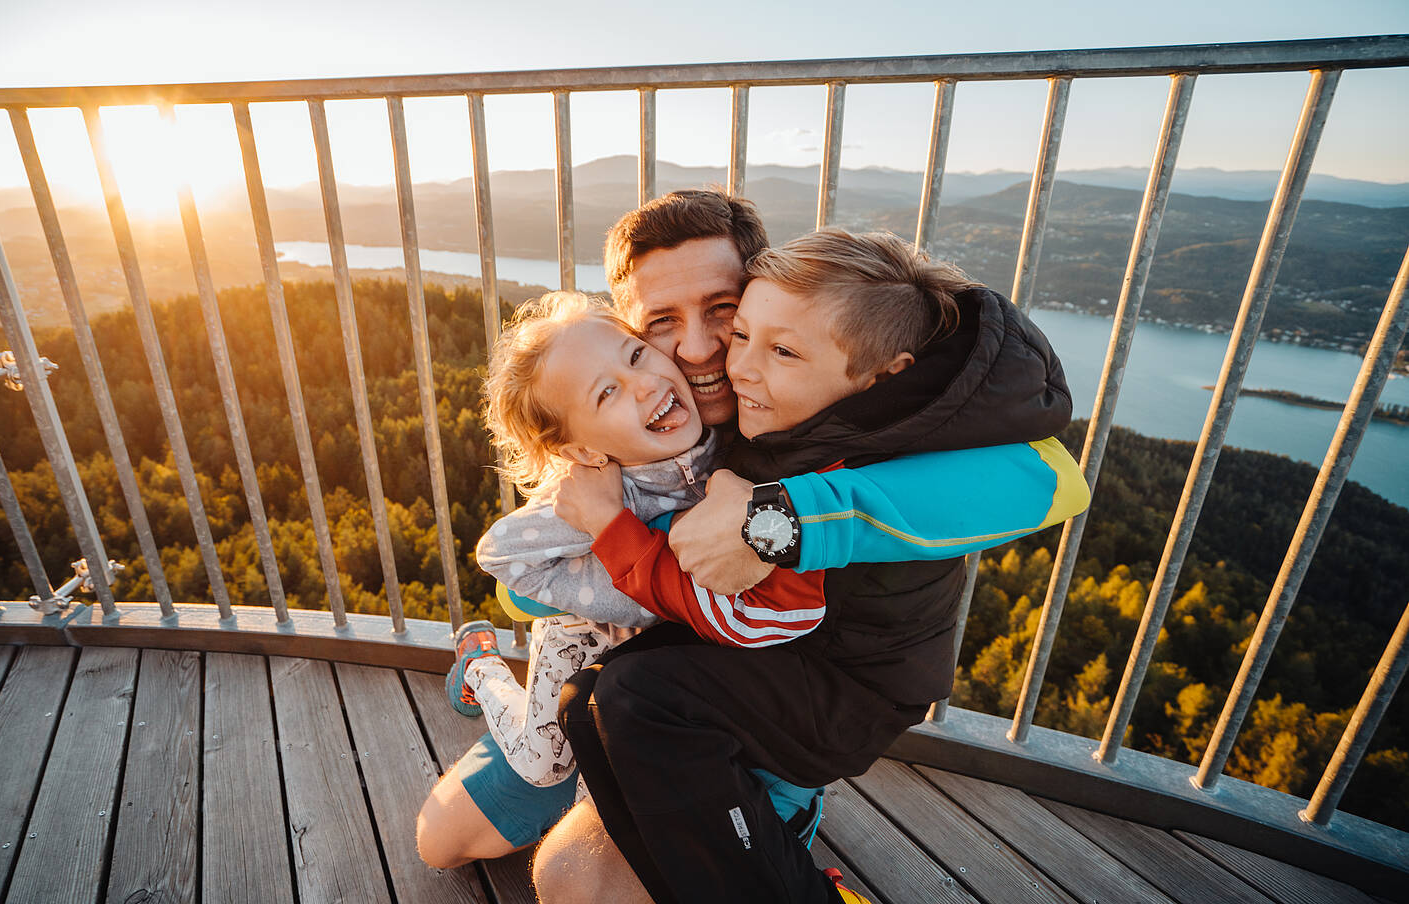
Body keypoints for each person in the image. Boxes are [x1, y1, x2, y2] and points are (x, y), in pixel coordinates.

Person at [415, 191, 1084, 896]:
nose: (702, 350)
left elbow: (1053, 481)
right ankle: (581, 762)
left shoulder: (808, 395)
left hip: (752, 711)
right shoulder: (643, 417)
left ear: (764, 296)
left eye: (723, 312)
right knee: (441, 840)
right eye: (662, 324)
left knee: (574, 881)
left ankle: (771, 830)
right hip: (633, 685)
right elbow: (521, 589)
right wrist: (588, 521)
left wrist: (779, 517)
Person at [439, 290, 832, 854]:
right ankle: (481, 668)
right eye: (607, 393)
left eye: (634, 356)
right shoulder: (600, 490)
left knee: (613, 788)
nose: (644, 384)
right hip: (580, 643)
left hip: (651, 671)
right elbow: (500, 553)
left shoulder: (731, 447)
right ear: (583, 450)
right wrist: (627, 581)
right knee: (549, 766)